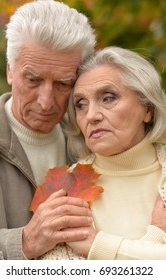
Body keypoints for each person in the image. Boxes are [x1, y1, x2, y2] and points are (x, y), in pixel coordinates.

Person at [0, 0, 96, 260]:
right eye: (33, 79)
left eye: (63, 83)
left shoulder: (93, 142)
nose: (46, 101)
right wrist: (24, 242)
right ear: (10, 71)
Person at [65, 46, 166, 259]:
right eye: (81, 104)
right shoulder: (66, 188)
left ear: (147, 108)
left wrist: (98, 247)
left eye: (108, 98)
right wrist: (155, 239)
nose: (91, 115)